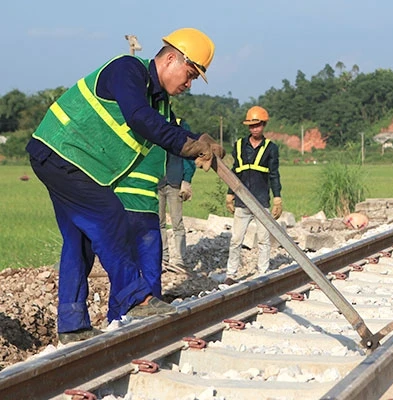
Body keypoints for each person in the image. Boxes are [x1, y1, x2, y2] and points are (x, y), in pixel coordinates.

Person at [26, 27, 225, 344]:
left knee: (80, 239)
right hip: (60, 153)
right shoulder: (127, 70)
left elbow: (162, 127)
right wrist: (188, 146)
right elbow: (139, 118)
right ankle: (136, 298)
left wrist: (196, 141)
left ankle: (72, 324)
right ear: (171, 58)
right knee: (109, 216)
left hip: (78, 164)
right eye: (188, 75)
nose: (188, 85)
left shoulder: (158, 102)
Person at [225, 106, 282, 285]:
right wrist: (229, 193)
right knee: (236, 239)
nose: (254, 129)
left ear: (263, 125)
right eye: (251, 126)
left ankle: (263, 272)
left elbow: (274, 174)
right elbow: (235, 171)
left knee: (264, 239)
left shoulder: (271, 148)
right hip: (242, 202)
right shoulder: (239, 145)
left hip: (261, 201)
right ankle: (231, 274)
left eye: (257, 125)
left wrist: (277, 197)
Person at [115, 145, 167, 299]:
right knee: (151, 266)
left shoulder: (119, 141)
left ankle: (124, 312)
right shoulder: (158, 145)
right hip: (148, 211)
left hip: (121, 208)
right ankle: (154, 303)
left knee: (123, 264)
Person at [159, 118, 197, 271]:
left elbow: (189, 155)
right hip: (158, 180)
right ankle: (163, 258)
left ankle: (180, 259)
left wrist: (186, 180)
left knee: (177, 222)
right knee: (159, 222)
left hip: (175, 181)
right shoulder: (154, 122)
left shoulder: (181, 125)